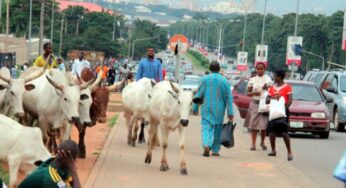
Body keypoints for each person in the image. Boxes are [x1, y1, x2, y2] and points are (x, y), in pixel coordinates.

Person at [193, 61, 234, 157]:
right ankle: (215, 150)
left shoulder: (204, 79)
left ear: (210, 69)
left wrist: (195, 108)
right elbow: (229, 98)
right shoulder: (224, 81)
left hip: (206, 108)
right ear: (219, 69)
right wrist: (230, 113)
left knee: (206, 128)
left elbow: (199, 94)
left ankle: (206, 145)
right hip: (219, 110)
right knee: (218, 129)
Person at [135, 47, 163, 143]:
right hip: (143, 86)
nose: (151, 52)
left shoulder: (157, 63)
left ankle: (154, 136)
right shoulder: (142, 62)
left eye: (152, 51)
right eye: (149, 51)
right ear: (147, 52)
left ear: (154, 52)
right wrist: (137, 85)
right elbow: (138, 75)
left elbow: (160, 76)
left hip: (154, 86)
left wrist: (160, 85)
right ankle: (141, 132)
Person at [266, 69, 293, 161]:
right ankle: (273, 150)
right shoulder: (272, 87)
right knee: (272, 132)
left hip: (283, 112)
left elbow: (290, 100)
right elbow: (267, 100)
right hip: (274, 111)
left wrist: (284, 109)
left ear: (279, 77)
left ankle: (289, 151)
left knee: (284, 132)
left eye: (275, 76)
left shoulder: (287, 87)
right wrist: (273, 98)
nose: (273, 77)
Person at [247, 63, 272, 151]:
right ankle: (253, 144)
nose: (260, 70)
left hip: (265, 104)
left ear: (265, 69)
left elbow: (272, 91)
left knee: (264, 125)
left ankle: (262, 142)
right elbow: (248, 93)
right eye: (258, 69)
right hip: (255, 103)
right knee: (254, 124)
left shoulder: (268, 79)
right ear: (256, 69)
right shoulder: (252, 79)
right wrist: (254, 93)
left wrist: (267, 88)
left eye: (262, 69)